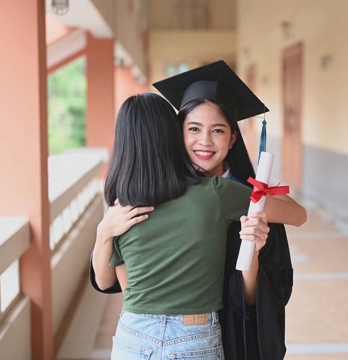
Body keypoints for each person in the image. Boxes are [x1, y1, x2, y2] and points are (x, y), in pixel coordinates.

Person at [91, 60, 299, 359]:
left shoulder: (125, 199)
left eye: (217, 130)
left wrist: (254, 239)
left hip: (139, 334)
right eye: (193, 128)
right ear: (175, 134)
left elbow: (124, 288)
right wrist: (103, 233)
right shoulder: (216, 194)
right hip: (195, 333)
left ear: (232, 138)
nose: (204, 141)